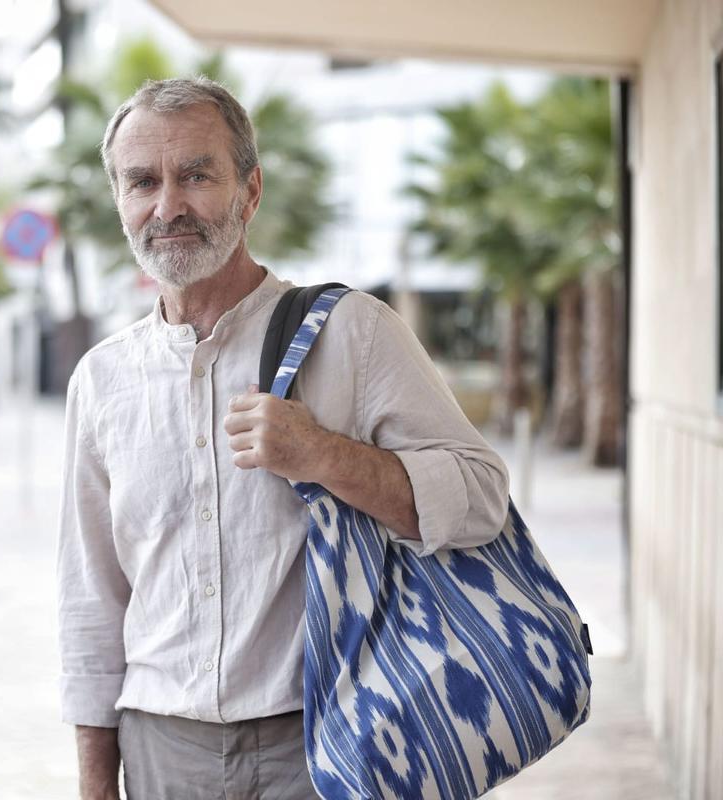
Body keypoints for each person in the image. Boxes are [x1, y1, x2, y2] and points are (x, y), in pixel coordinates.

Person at [57, 77, 510, 800]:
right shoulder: (101, 379)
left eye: (197, 175)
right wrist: (93, 784)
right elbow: (90, 600)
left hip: (331, 739)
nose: (168, 206)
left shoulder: (351, 333)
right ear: (120, 200)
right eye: (143, 182)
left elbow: (482, 498)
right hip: (160, 748)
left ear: (251, 191)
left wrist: (323, 454)